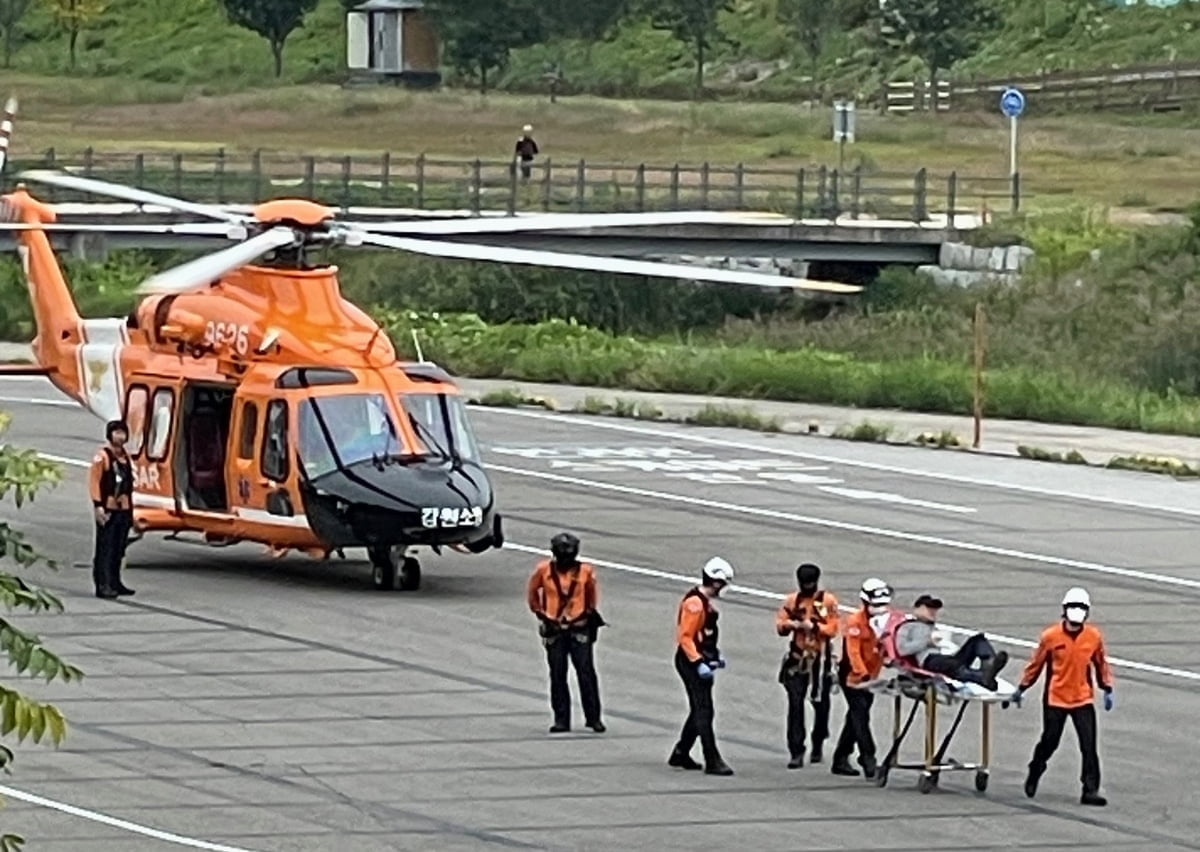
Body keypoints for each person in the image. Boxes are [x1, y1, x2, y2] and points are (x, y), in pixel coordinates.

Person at [1014, 587, 1114, 806]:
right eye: (1073, 607)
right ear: (1065, 610)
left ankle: (1090, 789)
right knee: (1050, 741)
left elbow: (1100, 663)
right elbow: (1036, 664)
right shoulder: (1051, 637)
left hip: (1082, 698)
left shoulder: (1093, 636)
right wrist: (1022, 687)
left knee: (1088, 746)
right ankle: (1036, 769)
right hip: (1056, 698)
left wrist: (1106, 687)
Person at [526, 532, 605, 734]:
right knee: (558, 674)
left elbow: (592, 598)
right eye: (561, 557)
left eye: (568, 557)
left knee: (586, 673)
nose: (565, 561)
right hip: (553, 628)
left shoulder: (586, 571)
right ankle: (562, 719)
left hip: (579, 627)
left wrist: (585, 618)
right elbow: (533, 593)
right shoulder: (542, 570)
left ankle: (593, 718)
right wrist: (542, 615)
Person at [668, 556, 735, 776]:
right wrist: (698, 662)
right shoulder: (695, 605)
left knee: (700, 708)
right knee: (704, 710)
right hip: (690, 662)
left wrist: (713, 656)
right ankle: (712, 758)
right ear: (715, 582)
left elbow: (703, 636)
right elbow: (685, 637)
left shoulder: (704, 603)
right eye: (722, 584)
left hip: (700, 660)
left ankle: (681, 752)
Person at [776, 562, 839, 768]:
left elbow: (832, 629)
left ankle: (818, 741)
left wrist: (814, 626)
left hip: (819, 660)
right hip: (797, 658)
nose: (806, 587)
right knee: (795, 704)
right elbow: (780, 624)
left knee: (821, 705)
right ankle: (796, 749)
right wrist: (792, 625)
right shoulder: (793, 601)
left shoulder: (825, 602)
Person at [830, 577, 893, 778]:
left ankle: (840, 758)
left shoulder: (885, 622)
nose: (880, 609)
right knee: (861, 716)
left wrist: (891, 659)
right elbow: (853, 651)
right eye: (876, 605)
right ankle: (868, 758)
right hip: (852, 675)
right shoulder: (854, 622)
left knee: (855, 718)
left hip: (872, 675)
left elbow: (887, 645)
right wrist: (862, 674)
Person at [886, 594, 1009, 689]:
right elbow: (902, 649)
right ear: (918, 609)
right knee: (954, 666)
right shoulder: (907, 627)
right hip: (929, 660)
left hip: (947, 658)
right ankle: (982, 677)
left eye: (934, 609)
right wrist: (927, 642)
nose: (933, 612)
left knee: (978, 640)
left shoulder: (934, 628)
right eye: (929, 608)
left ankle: (989, 666)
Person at [88, 419, 135, 599]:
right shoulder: (103, 457)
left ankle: (115, 581)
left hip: (124, 508)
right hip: (108, 508)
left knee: (119, 547)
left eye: (123, 433)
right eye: (116, 433)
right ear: (110, 435)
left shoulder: (125, 457)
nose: (120, 436)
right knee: (105, 547)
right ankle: (103, 584)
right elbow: (94, 482)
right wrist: (98, 506)